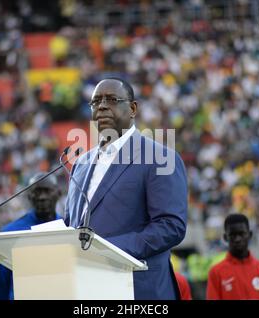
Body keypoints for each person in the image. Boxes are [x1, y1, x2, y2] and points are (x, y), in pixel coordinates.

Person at [65, 78, 188, 299]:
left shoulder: (159, 157)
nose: (101, 106)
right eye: (95, 101)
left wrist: (106, 250)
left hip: (137, 289)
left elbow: (171, 226)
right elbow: (71, 225)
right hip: (86, 288)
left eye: (111, 99)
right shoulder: (80, 164)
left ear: (132, 108)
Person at [0, 173, 61, 300]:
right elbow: (0, 285)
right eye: (37, 192)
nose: (42, 197)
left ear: (58, 193)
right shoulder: (9, 234)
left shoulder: (70, 229)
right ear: (29, 196)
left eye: (47, 190)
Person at [206, 214, 259, 300]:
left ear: (250, 234)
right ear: (225, 237)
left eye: (241, 234)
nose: (237, 239)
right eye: (233, 235)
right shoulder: (215, 272)